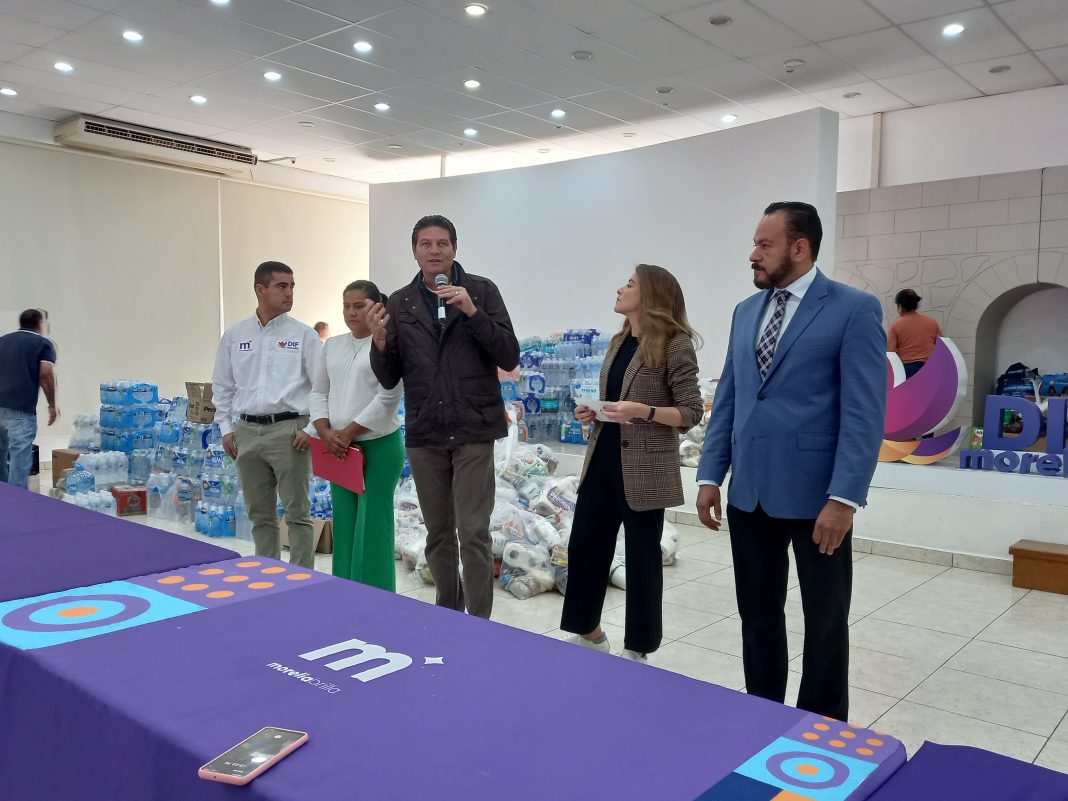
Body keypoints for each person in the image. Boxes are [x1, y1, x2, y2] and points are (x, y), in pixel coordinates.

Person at [696, 202, 886, 721]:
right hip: (750, 493)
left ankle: (820, 726)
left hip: (818, 498)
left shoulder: (853, 309)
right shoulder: (745, 311)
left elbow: (864, 412)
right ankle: (763, 715)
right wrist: (711, 474)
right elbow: (731, 399)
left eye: (765, 244)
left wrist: (844, 498)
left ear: (799, 247)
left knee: (825, 621)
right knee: (757, 614)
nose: (752, 255)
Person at [367, 214, 519, 619]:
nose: (434, 250)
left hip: (473, 428)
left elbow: (508, 355)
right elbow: (389, 376)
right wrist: (379, 342)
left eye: (442, 243)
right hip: (426, 431)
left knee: (473, 531)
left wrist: (473, 312)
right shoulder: (400, 302)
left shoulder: (482, 291)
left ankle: (480, 622)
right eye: (426, 244)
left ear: (454, 248)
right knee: (437, 533)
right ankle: (447, 614)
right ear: (414, 251)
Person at [560, 265, 702, 661]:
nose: (620, 289)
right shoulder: (619, 341)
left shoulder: (675, 344)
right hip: (602, 459)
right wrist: (594, 412)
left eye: (630, 284)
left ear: (652, 295)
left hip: (645, 469)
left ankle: (638, 647)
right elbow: (617, 402)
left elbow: (691, 412)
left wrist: (643, 410)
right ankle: (589, 633)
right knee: (586, 547)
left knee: (642, 560)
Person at [212, 261, 321, 569]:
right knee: (260, 515)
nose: (289, 293)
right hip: (246, 432)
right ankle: (267, 575)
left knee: (298, 515)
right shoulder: (235, 335)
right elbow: (222, 386)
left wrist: (311, 429)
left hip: (290, 431)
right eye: (281, 286)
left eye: (292, 287)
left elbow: (322, 387)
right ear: (260, 289)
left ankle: (302, 580)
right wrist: (226, 429)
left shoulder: (304, 335)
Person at [310, 280, 405, 590]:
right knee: (345, 522)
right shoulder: (333, 345)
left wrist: (347, 432)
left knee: (372, 525)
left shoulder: (388, 345)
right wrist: (324, 432)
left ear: (377, 307)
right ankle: (344, 594)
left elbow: (387, 399)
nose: (351, 312)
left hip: (378, 448)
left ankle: (376, 600)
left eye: (359, 306)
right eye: (346, 306)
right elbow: (319, 391)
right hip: (339, 450)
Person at [0, 309, 58, 488]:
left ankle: (4, 496)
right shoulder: (43, 344)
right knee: (19, 457)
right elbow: (45, 374)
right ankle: (15, 501)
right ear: (39, 324)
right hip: (21, 409)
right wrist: (52, 405)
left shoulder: (2, 341)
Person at [888, 288, 942, 378]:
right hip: (930, 368)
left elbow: (890, 353)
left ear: (900, 307)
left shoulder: (895, 326)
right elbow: (941, 347)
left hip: (907, 370)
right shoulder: (932, 322)